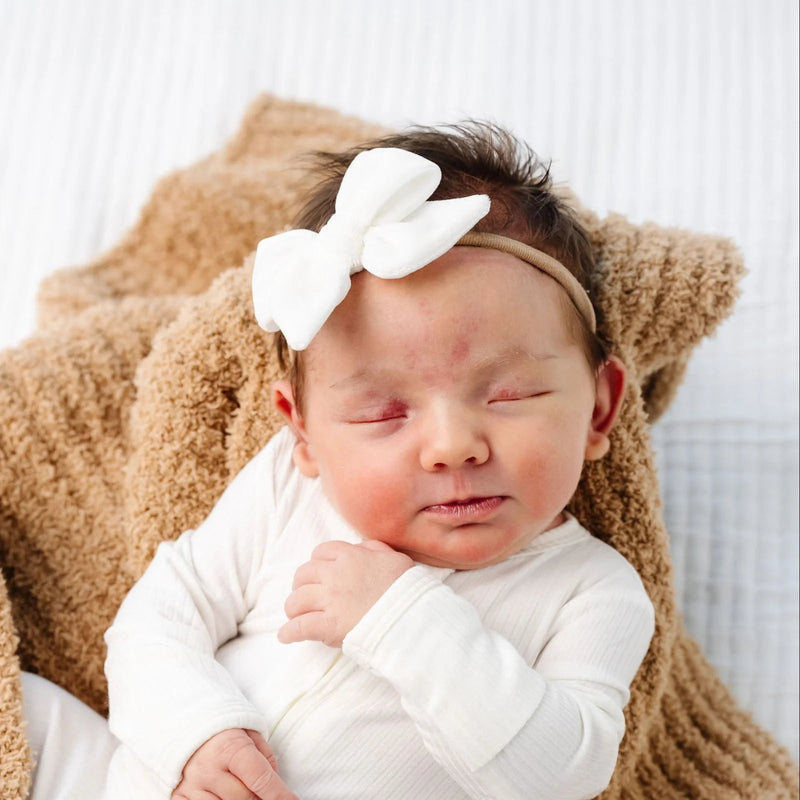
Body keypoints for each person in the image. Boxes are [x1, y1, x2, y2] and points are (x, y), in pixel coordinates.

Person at [29, 123, 656, 800]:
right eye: (382, 413)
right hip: (126, 784)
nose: (452, 446)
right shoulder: (288, 493)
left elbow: (564, 773)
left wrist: (402, 619)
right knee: (27, 711)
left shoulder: (591, 589)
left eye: (508, 394)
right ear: (303, 436)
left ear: (598, 408)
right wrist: (195, 733)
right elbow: (160, 615)